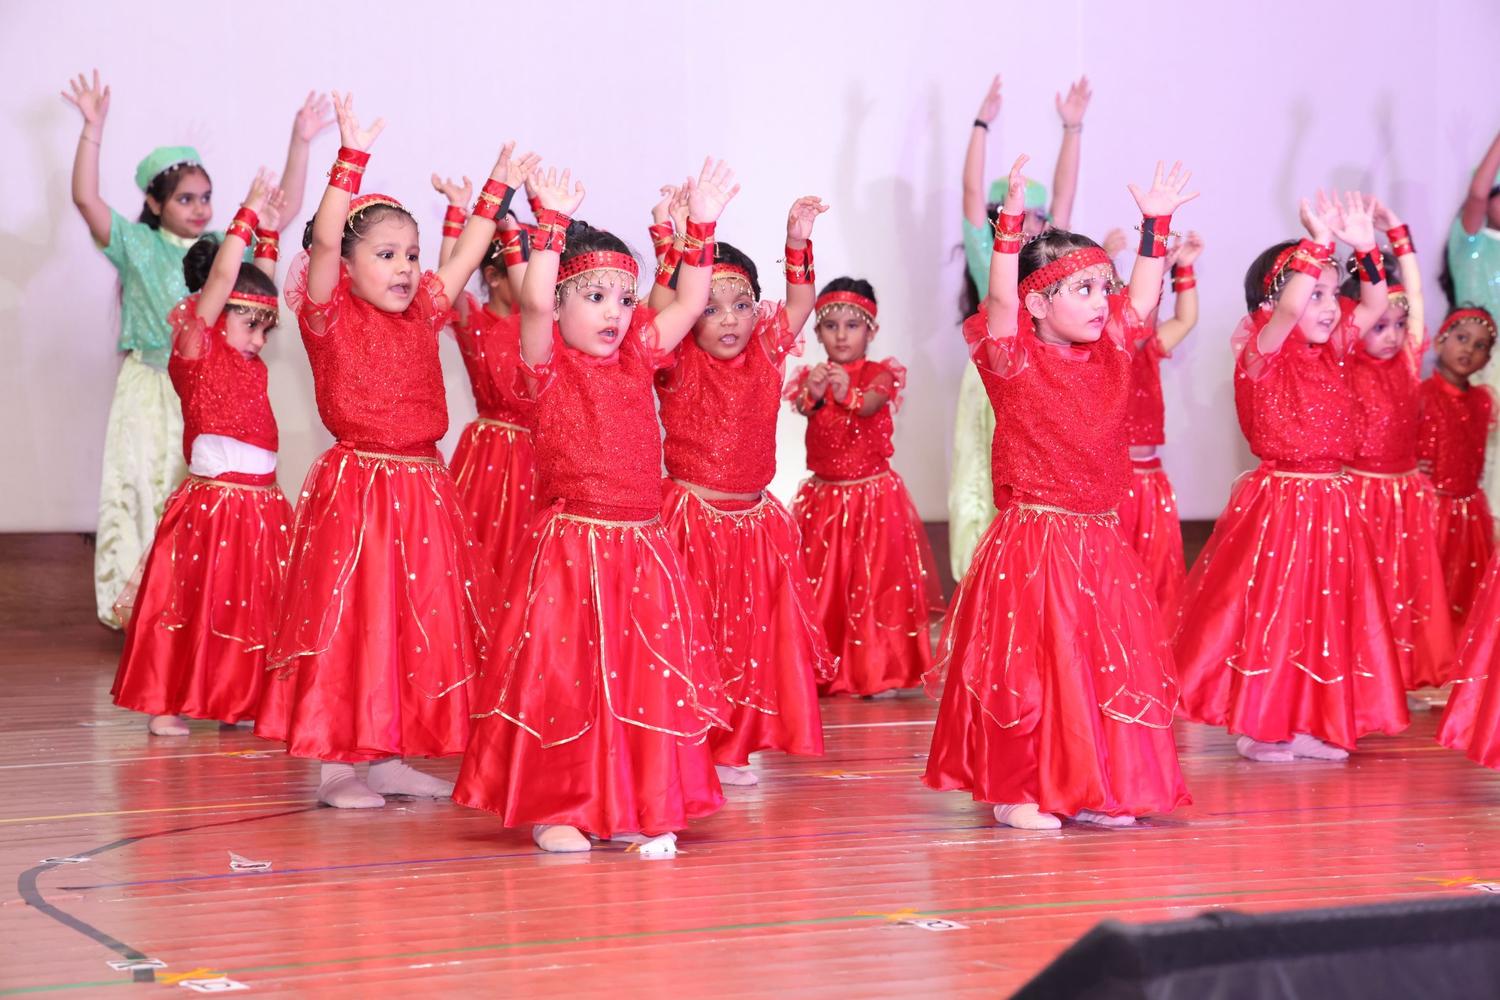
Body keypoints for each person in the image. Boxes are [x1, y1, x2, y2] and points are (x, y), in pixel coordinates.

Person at [256, 93, 538, 809]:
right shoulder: (327, 315)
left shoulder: (423, 313)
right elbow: (323, 242)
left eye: (410, 254)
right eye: (385, 256)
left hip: (423, 484)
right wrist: (349, 159)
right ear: (346, 268)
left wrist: (497, 187)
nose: (406, 267)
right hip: (360, 488)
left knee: (412, 618)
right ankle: (336, 766)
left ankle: (388, 756)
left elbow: (468, 252)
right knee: (354, 618)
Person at [454, 160, 740, 857]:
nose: (614, 312)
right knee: (567, 678)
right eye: (595, 296)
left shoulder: (639, 356)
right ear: (559, 306)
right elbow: (530, 303)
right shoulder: (546, 363)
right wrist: (550, 225)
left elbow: (690, 299)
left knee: (644, 676)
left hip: (641, 544)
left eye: (623, 297)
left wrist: (703, 224)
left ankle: (637, 798)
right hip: (573, 549)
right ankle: (558, 804)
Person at [63, 69, 331, 626]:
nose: (200, 208)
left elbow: (277, 218)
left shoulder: (219, 251)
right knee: (144, 491)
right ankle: (143, 609)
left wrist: (300, 141)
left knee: (200, 499)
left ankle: (195, 608)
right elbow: (86, 199)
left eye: (207, 198)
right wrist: (92, 128)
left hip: (215, 390)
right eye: (186, 198)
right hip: (151, 386)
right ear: (154, 202)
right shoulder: (136, 243)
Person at [111, 171, 292, 736]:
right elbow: (224, 278)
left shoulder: (247, 357)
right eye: (250, 325)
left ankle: (235, 698)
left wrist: (270, 234)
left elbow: (256, 283)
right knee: (189, 602)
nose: (259, 339)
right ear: (213, 313)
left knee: (250, 604)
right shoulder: (196, 348)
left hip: (262, 505)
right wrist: (247, 214)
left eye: (266, 329)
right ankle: (165, 702)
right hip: (214, 505)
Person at [949, 73, 1091, 580]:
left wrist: (1072, 129)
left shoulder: (1048, 259)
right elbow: (970, 188)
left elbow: (1066, 194)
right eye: (1017, 213)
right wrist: (980, 123)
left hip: (1045, 378)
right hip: (997, 375)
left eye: (1037, 215)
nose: (1031, 222)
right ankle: (985, 574)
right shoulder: (989, 254)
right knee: (983, 470)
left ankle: (1039, 571)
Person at [788, 278, 943, 697]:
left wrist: (847, 392)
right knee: (825, 586)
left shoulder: (879, 374)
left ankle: (878, 669)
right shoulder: (811, 377)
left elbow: (872, 403)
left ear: (871, 330)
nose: (841, 335)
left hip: (872, 500)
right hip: (824, 499)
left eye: (852, 325)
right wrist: (816, 392)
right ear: (817, 332)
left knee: (874, 585)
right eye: (831, 325)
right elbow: (803, 406)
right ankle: (825, 666)